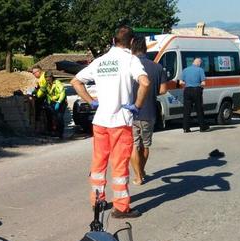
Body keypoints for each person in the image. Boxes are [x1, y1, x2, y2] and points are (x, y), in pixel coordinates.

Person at [71, 25, 150, 219]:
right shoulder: (130, 60)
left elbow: (76, 82)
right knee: (119, 165)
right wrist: (137, 105)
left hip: (100, 122)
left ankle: (97, 202)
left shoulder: (100, 61)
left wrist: (91, 102)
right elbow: (145, 82)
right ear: (132, 42)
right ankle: (121, 207)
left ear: (113, 41)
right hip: (120, 122)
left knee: (99, 163)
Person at [130, 36, 168, 185]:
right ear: (146, 49)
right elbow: (163, 90)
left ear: (132, 49)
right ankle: (142, 171)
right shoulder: (157, 67)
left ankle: (138, 176)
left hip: (131, 113)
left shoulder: (129, 66)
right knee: (145, 145)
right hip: (149, 112)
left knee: (134, 145)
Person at [180, 58, 209, 133]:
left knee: (187, 110)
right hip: (196, 90)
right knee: (199, 109)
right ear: (199, 63)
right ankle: (202, 128)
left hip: (187, 90)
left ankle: (186, 128)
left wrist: (187, 85)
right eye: (201, 63)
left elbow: (181, 82)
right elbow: (203, 83)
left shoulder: (185, 70)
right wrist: (200, 86)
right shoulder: (200, 70)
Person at [43, 71, 73, 138]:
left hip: (61, 102)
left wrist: (59, 102)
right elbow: (47, 93)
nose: (47, 79)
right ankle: (55, 132)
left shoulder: (57, 83)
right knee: (54, 117)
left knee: (59, 117)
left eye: (48, 77)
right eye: (46, 78)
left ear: (51, 77)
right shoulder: (46, 84)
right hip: (53, 102)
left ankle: (60, 133)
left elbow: (62, 92)